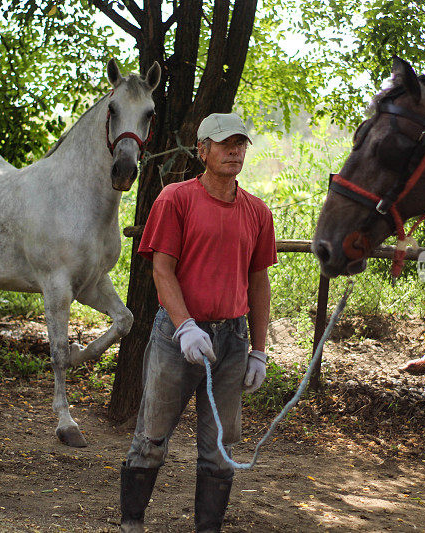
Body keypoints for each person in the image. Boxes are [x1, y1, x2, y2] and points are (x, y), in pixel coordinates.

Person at [119, 112, 277, 533]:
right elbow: (162, 271)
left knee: (220, 448)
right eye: (225, 143)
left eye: (240, 143)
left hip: (231, 342)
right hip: (177, 337)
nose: (235, 150)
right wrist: (185, 325)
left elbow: (258, 282)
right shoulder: (175, 199)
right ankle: (131, 523)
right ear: (202, 149)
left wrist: (259, 349)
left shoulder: (258, 212)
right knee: (151, 437)